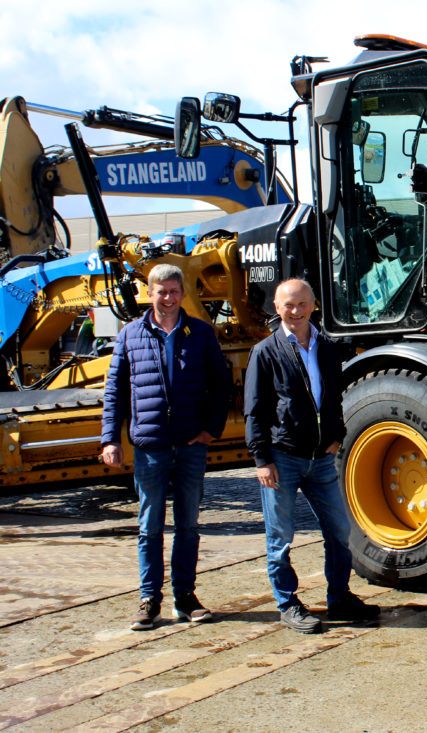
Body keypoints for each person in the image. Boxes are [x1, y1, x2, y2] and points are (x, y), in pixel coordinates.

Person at [244, 278, 379, 634]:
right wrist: (261, 460)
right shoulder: (265, 352)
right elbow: (255, 410)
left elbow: (335, 397)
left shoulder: (327, 347)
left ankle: (339, 597)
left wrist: (337, 437)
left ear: (314, 305)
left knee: (339, 530)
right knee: (280, 537)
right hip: (283, 458)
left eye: (302, 303)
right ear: (277, 308)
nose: (296, 310)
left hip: (321, 459)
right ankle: (287, 603)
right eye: (288, 305)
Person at [101, 263, 230, 630]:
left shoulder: (201, 333)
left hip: (191, 445)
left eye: (174, 291)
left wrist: (211, 430)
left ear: (183, 293)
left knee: (188, 525)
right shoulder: (130, 335)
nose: (169, 298)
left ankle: (185, 597)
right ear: (149, 293)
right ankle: (149, 599)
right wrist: (110, 439)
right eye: (162, 292)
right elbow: (115, 391)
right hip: (150, 447)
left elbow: (222, 385)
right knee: (150, 526)